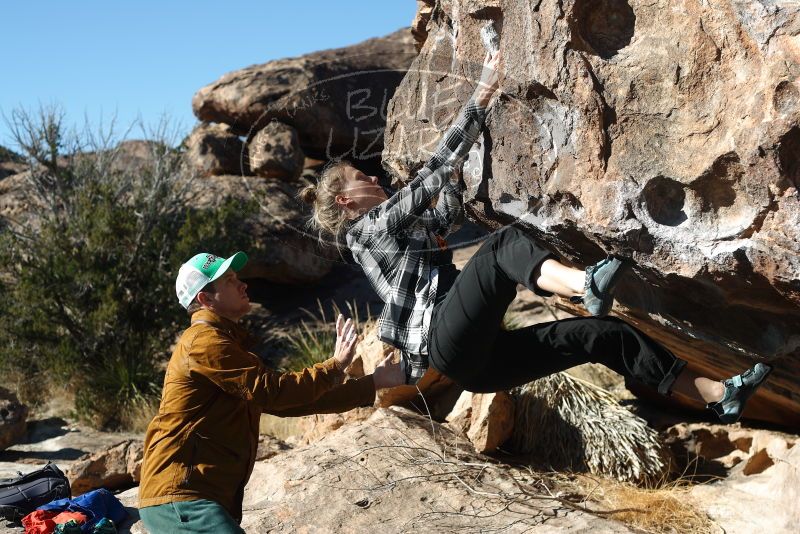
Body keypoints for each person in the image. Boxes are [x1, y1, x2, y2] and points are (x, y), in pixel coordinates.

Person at [298, 48, 773, 425]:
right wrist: (478, 102)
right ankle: (583, 284)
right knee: (504, 246)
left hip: (478, 363)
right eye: (363, 178)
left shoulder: (402, 231)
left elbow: (448, 203)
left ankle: (720, 396)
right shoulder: (367, 231)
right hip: (444, 342)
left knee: (602, 335)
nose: (375, 179)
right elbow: (433, 178)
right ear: (345, 201)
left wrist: (484, 151)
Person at [137, 251, 404, 533]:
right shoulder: (205, 343)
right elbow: (275, 392)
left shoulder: (226, 343)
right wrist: (335, 366)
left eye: (237, 277)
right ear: (205, 299)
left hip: (191, 498)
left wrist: (372, 382)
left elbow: (288, 403)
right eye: (229, 281)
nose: (242, 285)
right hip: (180, 498)